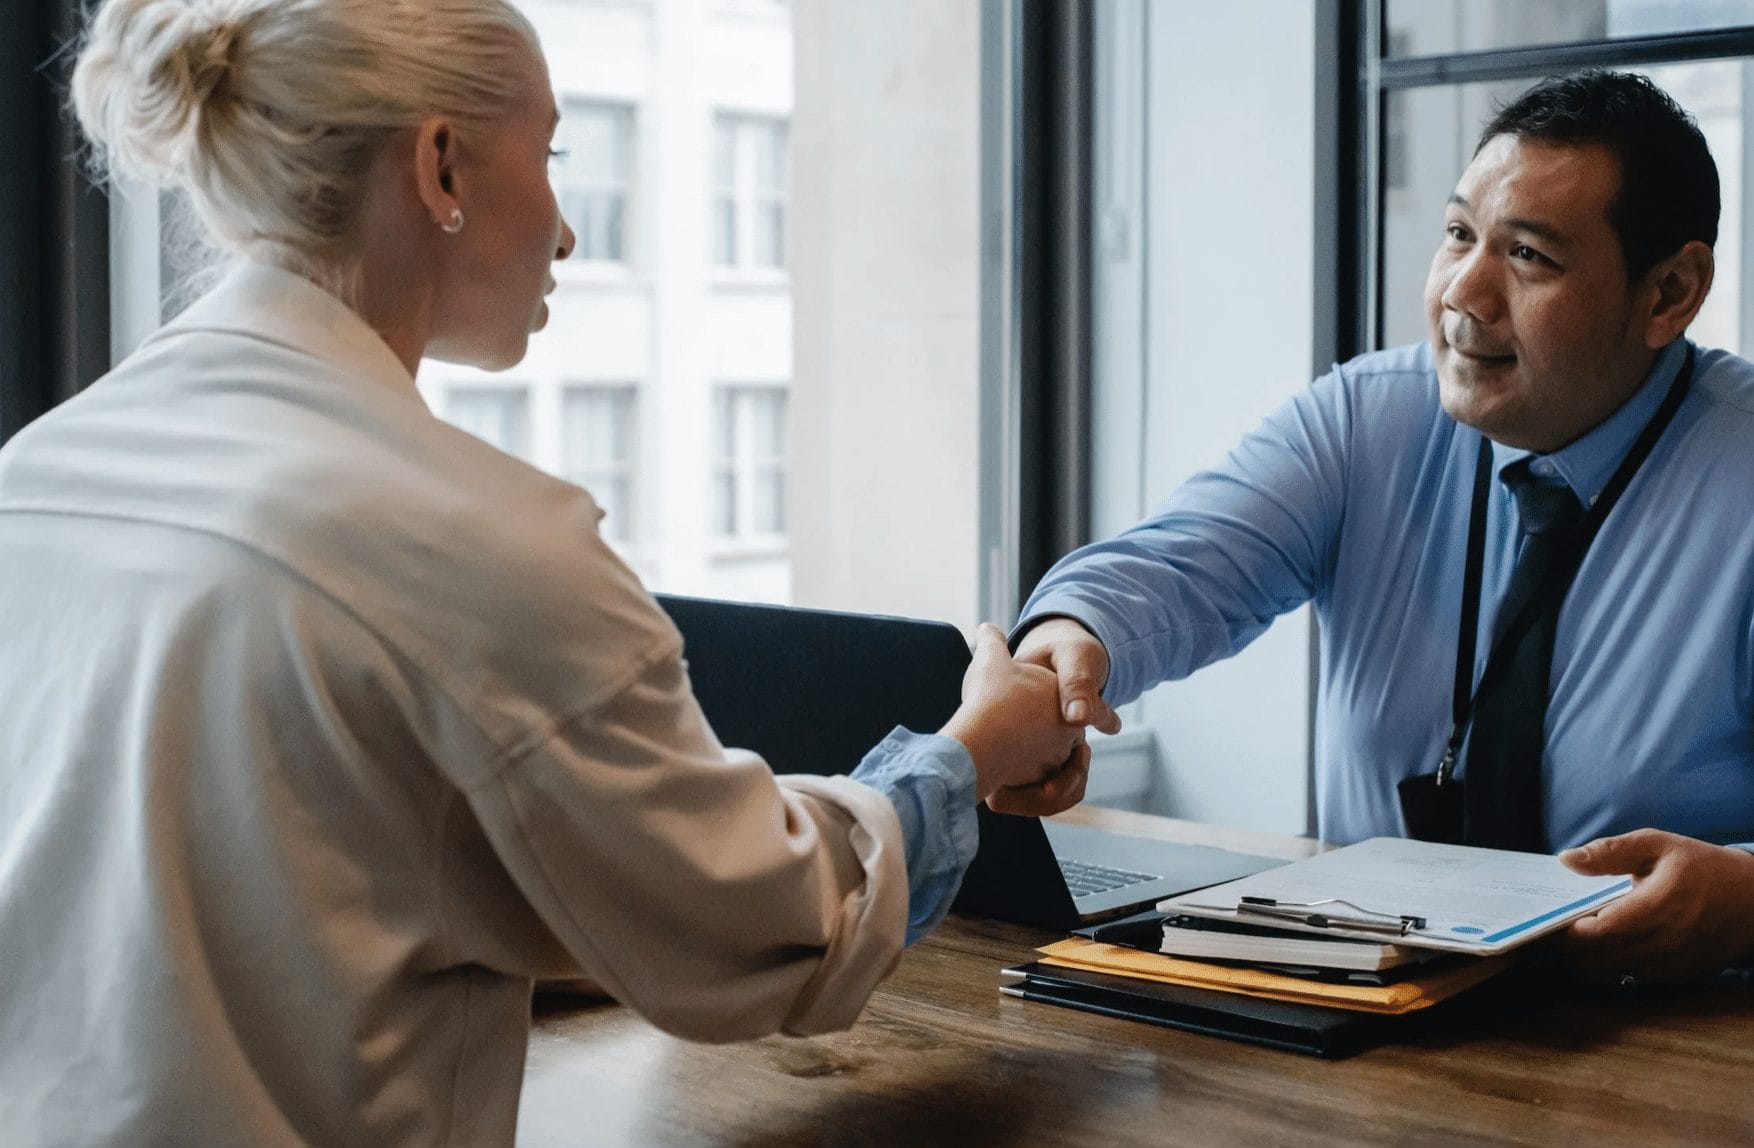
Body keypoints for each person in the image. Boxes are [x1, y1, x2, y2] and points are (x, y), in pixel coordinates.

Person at [0, 1, 1088, 1143]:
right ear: (438, 164)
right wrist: (971, 752)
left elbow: (269, 894)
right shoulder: (473, 537)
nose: (566, 232)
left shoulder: (39, 470)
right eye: (551, 151)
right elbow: (757, 928)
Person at [1012, 69, 1754, 988]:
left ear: (1670, 292)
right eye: (1457, 237)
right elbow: (1178, 568)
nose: (1464, 294)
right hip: (1374, 1020)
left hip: (1672, 1048)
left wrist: (1748, 895)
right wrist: (1068, 643)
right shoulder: (1371, 417)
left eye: (1528, 256)